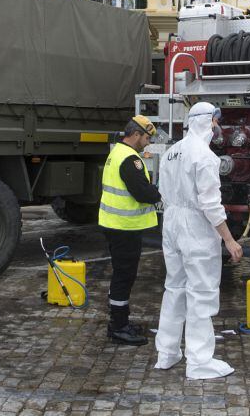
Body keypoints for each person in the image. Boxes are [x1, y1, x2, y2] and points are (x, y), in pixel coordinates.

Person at [154, 101, 243, 380]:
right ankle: (199, 361)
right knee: (201, 293)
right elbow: (211, 204)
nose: (217, 128)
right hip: (195, 225)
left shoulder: (172, 152)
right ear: (209, 122)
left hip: (171, 222)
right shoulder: (204, 156)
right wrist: (228, 239)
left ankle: (167, 353)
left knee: (174, 288)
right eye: (216, 121)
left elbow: (162, 190)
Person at [98, 114, 161, 345]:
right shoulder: (130, 160)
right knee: (124, 277)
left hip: (115, 224)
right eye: (147, 137)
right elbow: (142, 193)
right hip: (124, 227)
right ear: (136, 134)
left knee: (121, 275)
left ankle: (120, 321)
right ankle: (118, 327)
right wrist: (158, 192)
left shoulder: (117, 152)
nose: (148, 142)